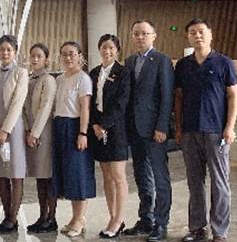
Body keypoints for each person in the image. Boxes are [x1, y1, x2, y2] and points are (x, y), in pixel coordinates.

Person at [174, 19, 237, 242]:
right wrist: (178, 128)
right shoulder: (183, 65)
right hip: (190, 132)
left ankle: (220, 231)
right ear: (188, 37)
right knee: (194, 182)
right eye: (192, 32)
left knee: (219, 183)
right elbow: (179, 98)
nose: (197, 36)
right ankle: (197, 228)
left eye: (201, 31)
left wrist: (230, 127)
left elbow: (233, 96)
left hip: (216, 132)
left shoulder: (224, 63)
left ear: (210, 34)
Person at [124, 20, 174, 242]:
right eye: (136, 34)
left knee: (160, 177)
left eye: (144, 33)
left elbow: (167, 96)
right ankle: (146, 219)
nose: (140, 37)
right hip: (135, 129)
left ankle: (161, 224)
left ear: (154, 36)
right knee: (142, 176)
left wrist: (162, 126)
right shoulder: (129, 61)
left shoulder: (162, 60)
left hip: (155, 130)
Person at [0, 35, 29, 234]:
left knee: (15, 173)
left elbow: (18, 103)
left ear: (15, 52)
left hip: (14, 129)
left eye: (9, 50)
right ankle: (7, 216)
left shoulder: (21, 73)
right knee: (1, 173)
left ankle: (13, 218)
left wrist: (5, 130)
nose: (5, 53)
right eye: (2, 49)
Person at [90, 34, 131, 239]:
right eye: (104, 47)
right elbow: (89, 102)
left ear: (117, 51)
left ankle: (118, 219)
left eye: (111, 48)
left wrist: (105, 125)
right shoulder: (94, 73)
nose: (107, 51)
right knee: (106, 176)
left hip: (116, 130)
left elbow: (122, 103)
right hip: (97, 130)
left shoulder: (123, 73)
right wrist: (95, 125)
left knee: (118, 176)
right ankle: (113, 217)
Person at [52, 41, 95, 237]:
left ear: (79, 56)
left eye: (72, 54)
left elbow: (85, 108)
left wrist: (83, 133)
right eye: (64, 54)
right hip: (60, 126)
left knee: (78, 174)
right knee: (68, 174)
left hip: (75, 127)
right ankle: (74, 217)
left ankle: (80, 218)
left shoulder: (83, 79)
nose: (68, 58)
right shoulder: (60, 79)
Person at [24, 43, 57, 233]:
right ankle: (42, 216)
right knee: (39, 176)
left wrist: (35, 133)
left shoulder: (48, 80)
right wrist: (27, 129)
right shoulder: (29, 79)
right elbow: (25, 107)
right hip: (31, 131)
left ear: (46, 60)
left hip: (44, 131)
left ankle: (51, 218)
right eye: (33, 56)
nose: (35, 59)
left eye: (39, 56)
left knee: (47, 175)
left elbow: (46, 108)